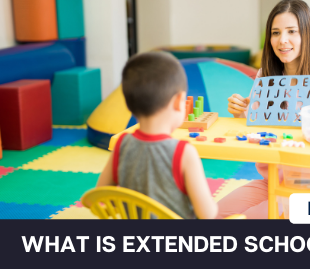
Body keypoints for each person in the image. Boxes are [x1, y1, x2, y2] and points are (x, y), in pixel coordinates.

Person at [219, 0, 310, 219]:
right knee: (211, 215)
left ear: (307, 34)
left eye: (291, 31)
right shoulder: (266, 76)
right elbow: (260, 125)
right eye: (275, 33)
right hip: (274, 179)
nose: (282, 40)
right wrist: (240, 112)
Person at [93, 52, 218, 219]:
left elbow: (100, 196)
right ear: (178, 101)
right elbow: (207, 214)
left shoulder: (122, 144)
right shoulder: (183, 152)